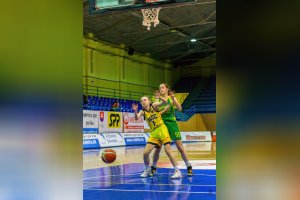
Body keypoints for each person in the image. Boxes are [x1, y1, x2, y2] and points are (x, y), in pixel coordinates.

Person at [132, 93, 182, 178]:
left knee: (168, 151)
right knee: (145, 153)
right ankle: (147, 169)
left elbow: (165, 102)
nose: (143, 101)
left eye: (145, 100)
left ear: (149, 101)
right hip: (154, 132)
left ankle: (177, 171)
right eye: (142, 101)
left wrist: (160, 98)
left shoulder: (154, 105)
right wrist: (135, 110)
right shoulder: (142, 111)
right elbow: (136, 118)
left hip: (162, 129)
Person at [151, 83, 193, 176]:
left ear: (167, 89)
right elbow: (155, 115)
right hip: (162, 125)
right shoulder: (157, 101)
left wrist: (174, 98)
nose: (161, 89)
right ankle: (153, 166)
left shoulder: (171, 98)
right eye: (159, 88)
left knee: (180, 148)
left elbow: (180, 108)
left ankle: (188, 166)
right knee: (157, 148)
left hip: (172, 124)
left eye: (162, 87)